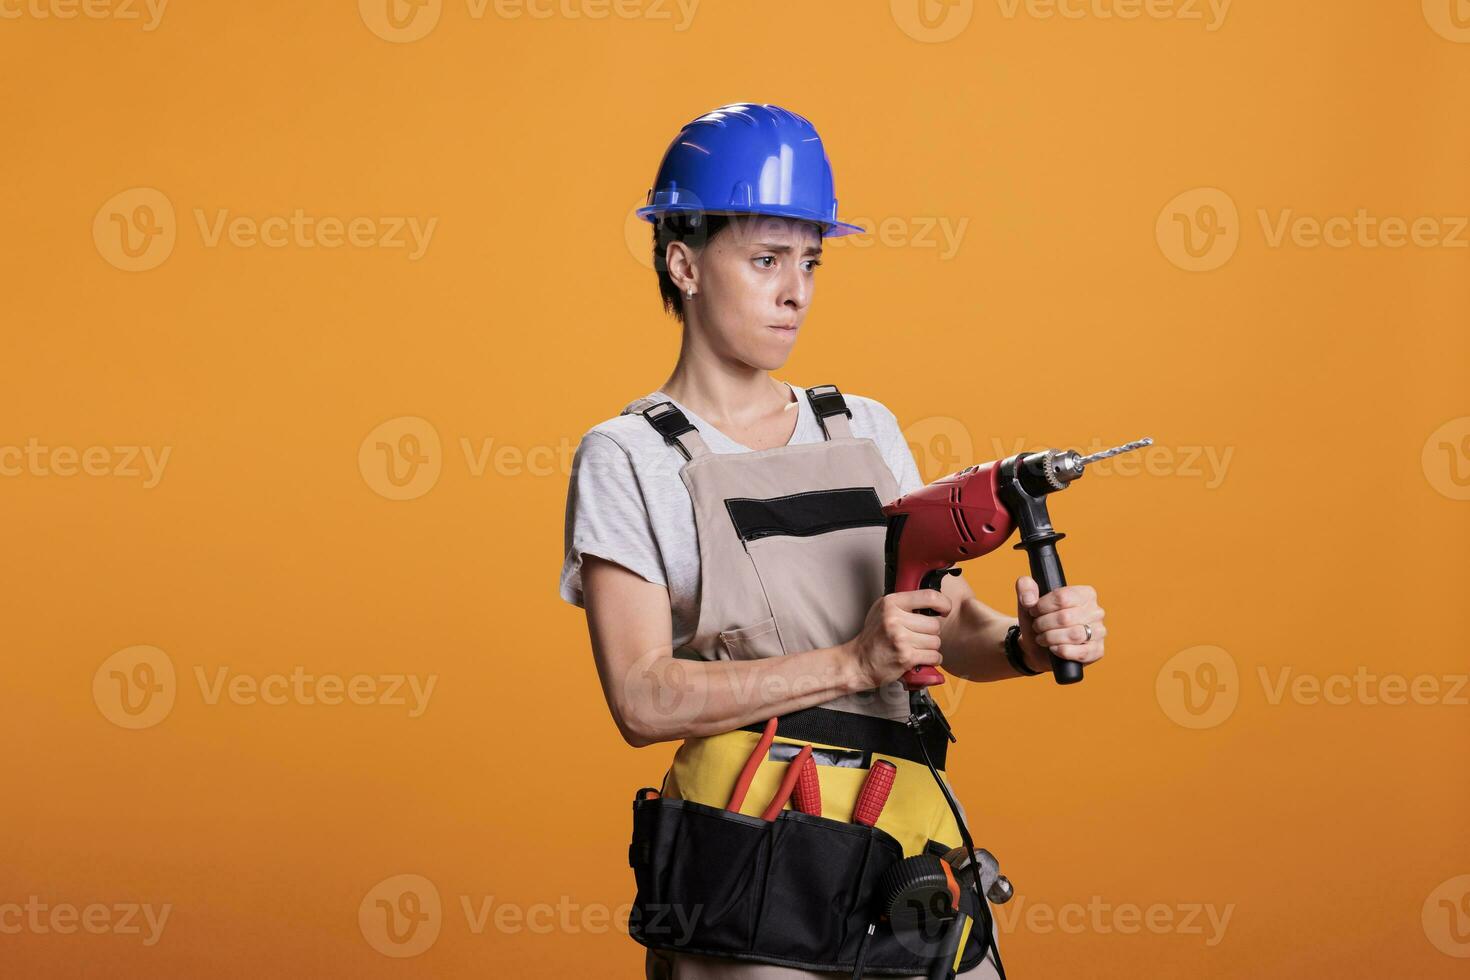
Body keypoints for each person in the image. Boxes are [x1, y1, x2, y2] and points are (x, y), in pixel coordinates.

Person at [559, 103, 1108, 979]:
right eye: (767, 259)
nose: (797, 290)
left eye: (811, 261)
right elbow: (643, 700)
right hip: (748, 860)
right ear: (684, 263)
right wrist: (851, 663)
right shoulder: (631, 457)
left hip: (902, 832)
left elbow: (940, 618)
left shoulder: (860, 427)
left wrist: (1023, 643)